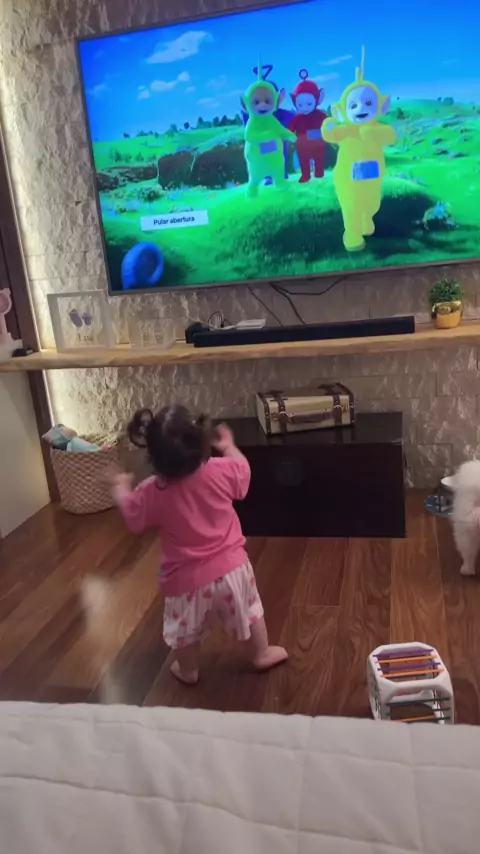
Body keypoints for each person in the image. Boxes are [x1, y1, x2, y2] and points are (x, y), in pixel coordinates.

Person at [108, 405, 288, 685]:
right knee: (249, 611)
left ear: (153, 457)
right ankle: (261, 653)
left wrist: (120, 488)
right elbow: (243, 474)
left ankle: (189, 670)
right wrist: (228, 447)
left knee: (185, 631)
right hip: (233, 570)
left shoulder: (151, 492)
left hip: (186, 582)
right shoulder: (221, 470)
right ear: (201, 444)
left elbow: (134, 518)